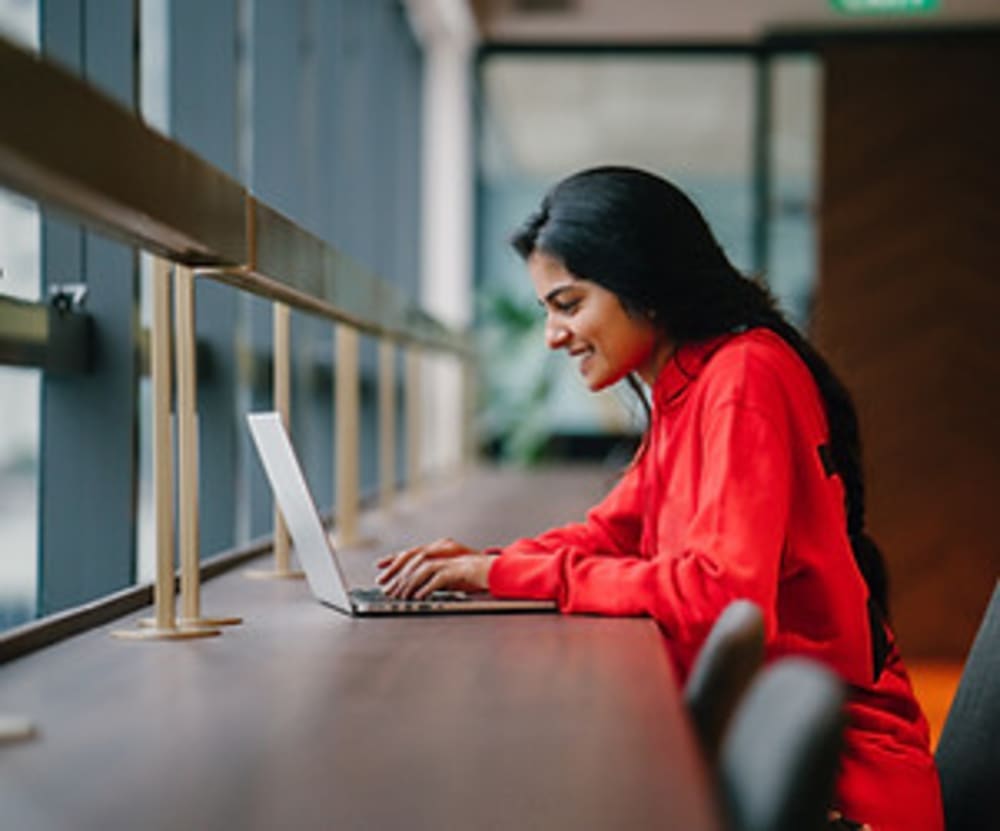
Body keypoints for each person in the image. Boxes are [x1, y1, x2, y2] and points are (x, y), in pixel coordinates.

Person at [376, 166, 943, 831]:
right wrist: (484, 567)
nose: (553, 335)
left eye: (568, 303)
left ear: (641, 284)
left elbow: (722, 594)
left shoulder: (742, 377)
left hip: (836, 787)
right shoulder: (691, 382)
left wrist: (501, 572)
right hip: (770, 745)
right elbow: (611, 530)